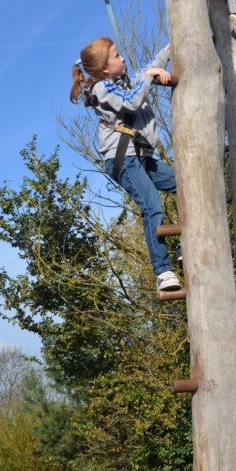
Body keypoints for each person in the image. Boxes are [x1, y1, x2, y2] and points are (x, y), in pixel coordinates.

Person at [70, 36, 182, 292]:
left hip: (140, 157)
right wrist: (150, 75)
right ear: (105, 68)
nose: (123, 59)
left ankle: (186, 246)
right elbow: (132, 100)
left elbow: (141, 76)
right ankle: (163, 272)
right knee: (151, 205)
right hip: (124, 158)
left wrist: (164, 54)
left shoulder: (118, 83)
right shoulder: (102, 88)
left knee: (184, 184)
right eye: (117, 56)